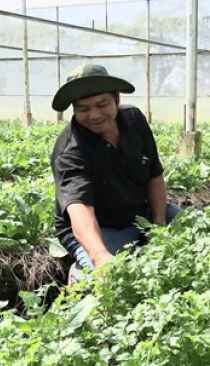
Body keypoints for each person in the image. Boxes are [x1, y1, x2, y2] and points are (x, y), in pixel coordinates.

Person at [50, 64, 180, 281]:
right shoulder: (70, 152)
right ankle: (78, 276)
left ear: (116, 98)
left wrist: (157, 227)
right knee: (103, 278)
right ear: (74, 109)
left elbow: (154, 175)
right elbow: (79, 208)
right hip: (101, 228)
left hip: (140, 215)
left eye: (102, 104)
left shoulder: (134, 120)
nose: (94, 115)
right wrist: (100, 255)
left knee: (193, 234)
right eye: (83, 108)